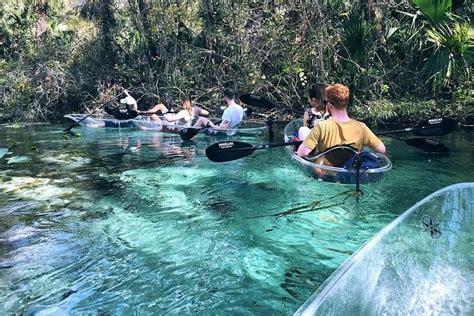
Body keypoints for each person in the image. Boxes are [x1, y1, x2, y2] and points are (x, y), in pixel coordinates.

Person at [296, 83, 386, 160]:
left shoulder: (321, 127)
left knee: (303, 130)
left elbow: (301, 153)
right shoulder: (362, 127)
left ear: (330, 105)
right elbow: (382, 150)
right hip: (350, 170)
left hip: (325, 171)